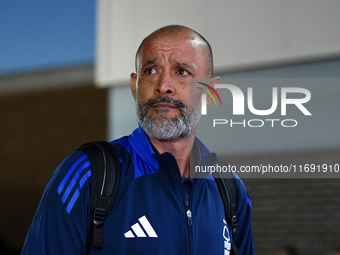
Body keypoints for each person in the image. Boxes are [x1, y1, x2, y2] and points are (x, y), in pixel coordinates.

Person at [21, 25, 254, 255]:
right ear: (135, 86)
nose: (163, 86)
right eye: (151, 70)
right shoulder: (88, 174)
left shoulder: (229, 189)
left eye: (181, 71)